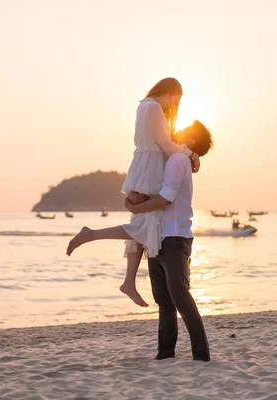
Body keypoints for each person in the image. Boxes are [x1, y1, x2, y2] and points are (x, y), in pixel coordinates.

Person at [66, 78, 201, 308]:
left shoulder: (143, 106)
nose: (174, 106)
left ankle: (128, 281)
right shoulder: (154, 107)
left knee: (143, 223)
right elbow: (166, 145)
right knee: (144, 223)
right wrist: (191, 153)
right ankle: (92, 235)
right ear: (169, 93)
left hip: (141, 166)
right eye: (176, 100)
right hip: (150, 169)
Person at [124, 121, 213, 361]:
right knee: (164, 301)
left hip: (174, 237)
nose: (176, 131)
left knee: (180, 296)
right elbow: (154, 193)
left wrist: (138, 206)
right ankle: (165, 353)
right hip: (158, 237)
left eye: (184, 130)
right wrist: (134, 200)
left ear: (191, 140)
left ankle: (201, 353)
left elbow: (166, 198)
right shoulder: (172, 158)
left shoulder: (177, 160)